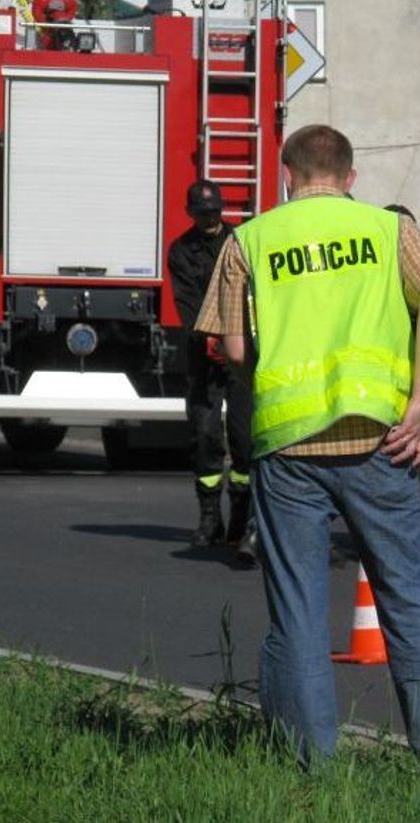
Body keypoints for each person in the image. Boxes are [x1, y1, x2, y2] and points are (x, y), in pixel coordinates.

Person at [195, 124, 420, 771]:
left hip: (287, 448)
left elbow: (231, 349)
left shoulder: (249, 240)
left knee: (298, 612)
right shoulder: (387, 230)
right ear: (350, 177)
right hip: (380, 438)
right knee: (410, 599)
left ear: (286, 174)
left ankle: (309, 768)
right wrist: (419, 402)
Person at [168, 179, 256, 565]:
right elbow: (187, 303)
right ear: (191, 213)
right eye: (203, 213)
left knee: (244, 436)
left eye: (215, 212)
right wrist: (206, 337)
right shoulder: (181, 251)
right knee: (204, 435)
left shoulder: (242, 242)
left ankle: (241, 517)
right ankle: (209, 518)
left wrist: (236, 340)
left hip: (241, 354)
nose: (210, 218)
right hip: (203, 355)